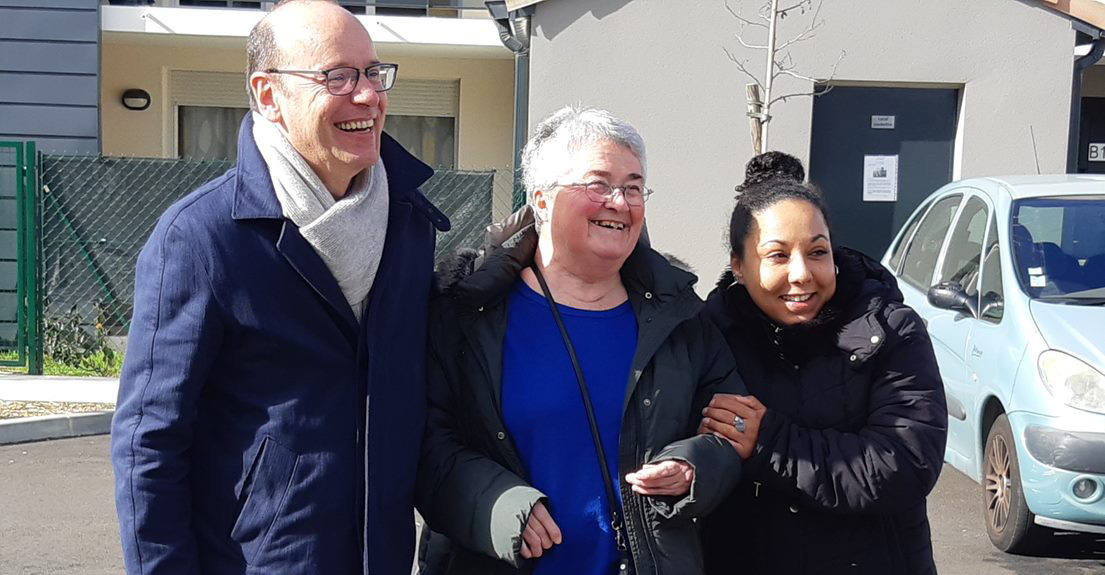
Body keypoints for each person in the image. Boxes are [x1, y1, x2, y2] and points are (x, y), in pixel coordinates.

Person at [110, 2, 449, 574]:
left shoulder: (409, 223)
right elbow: (150, 444)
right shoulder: (201, 236)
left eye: (373, 73)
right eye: (336, 76)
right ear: (268, 95)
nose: (367, 95)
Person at [416, 106, 744, 575]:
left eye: (633, 187)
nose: (619, 201)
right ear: (542, 199)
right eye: (598, 184)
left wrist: (695, 469)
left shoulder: (680, 316)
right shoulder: (464, 311)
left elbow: (728, 428)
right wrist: (496, 504)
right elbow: (424, 440)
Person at [698, 157, 948, 575]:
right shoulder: (707, 339)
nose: (802, 274)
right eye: (777, 255)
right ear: (738, 266)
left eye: (817, 251)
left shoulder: (890, 330)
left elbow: (905, 465)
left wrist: (769, 440)